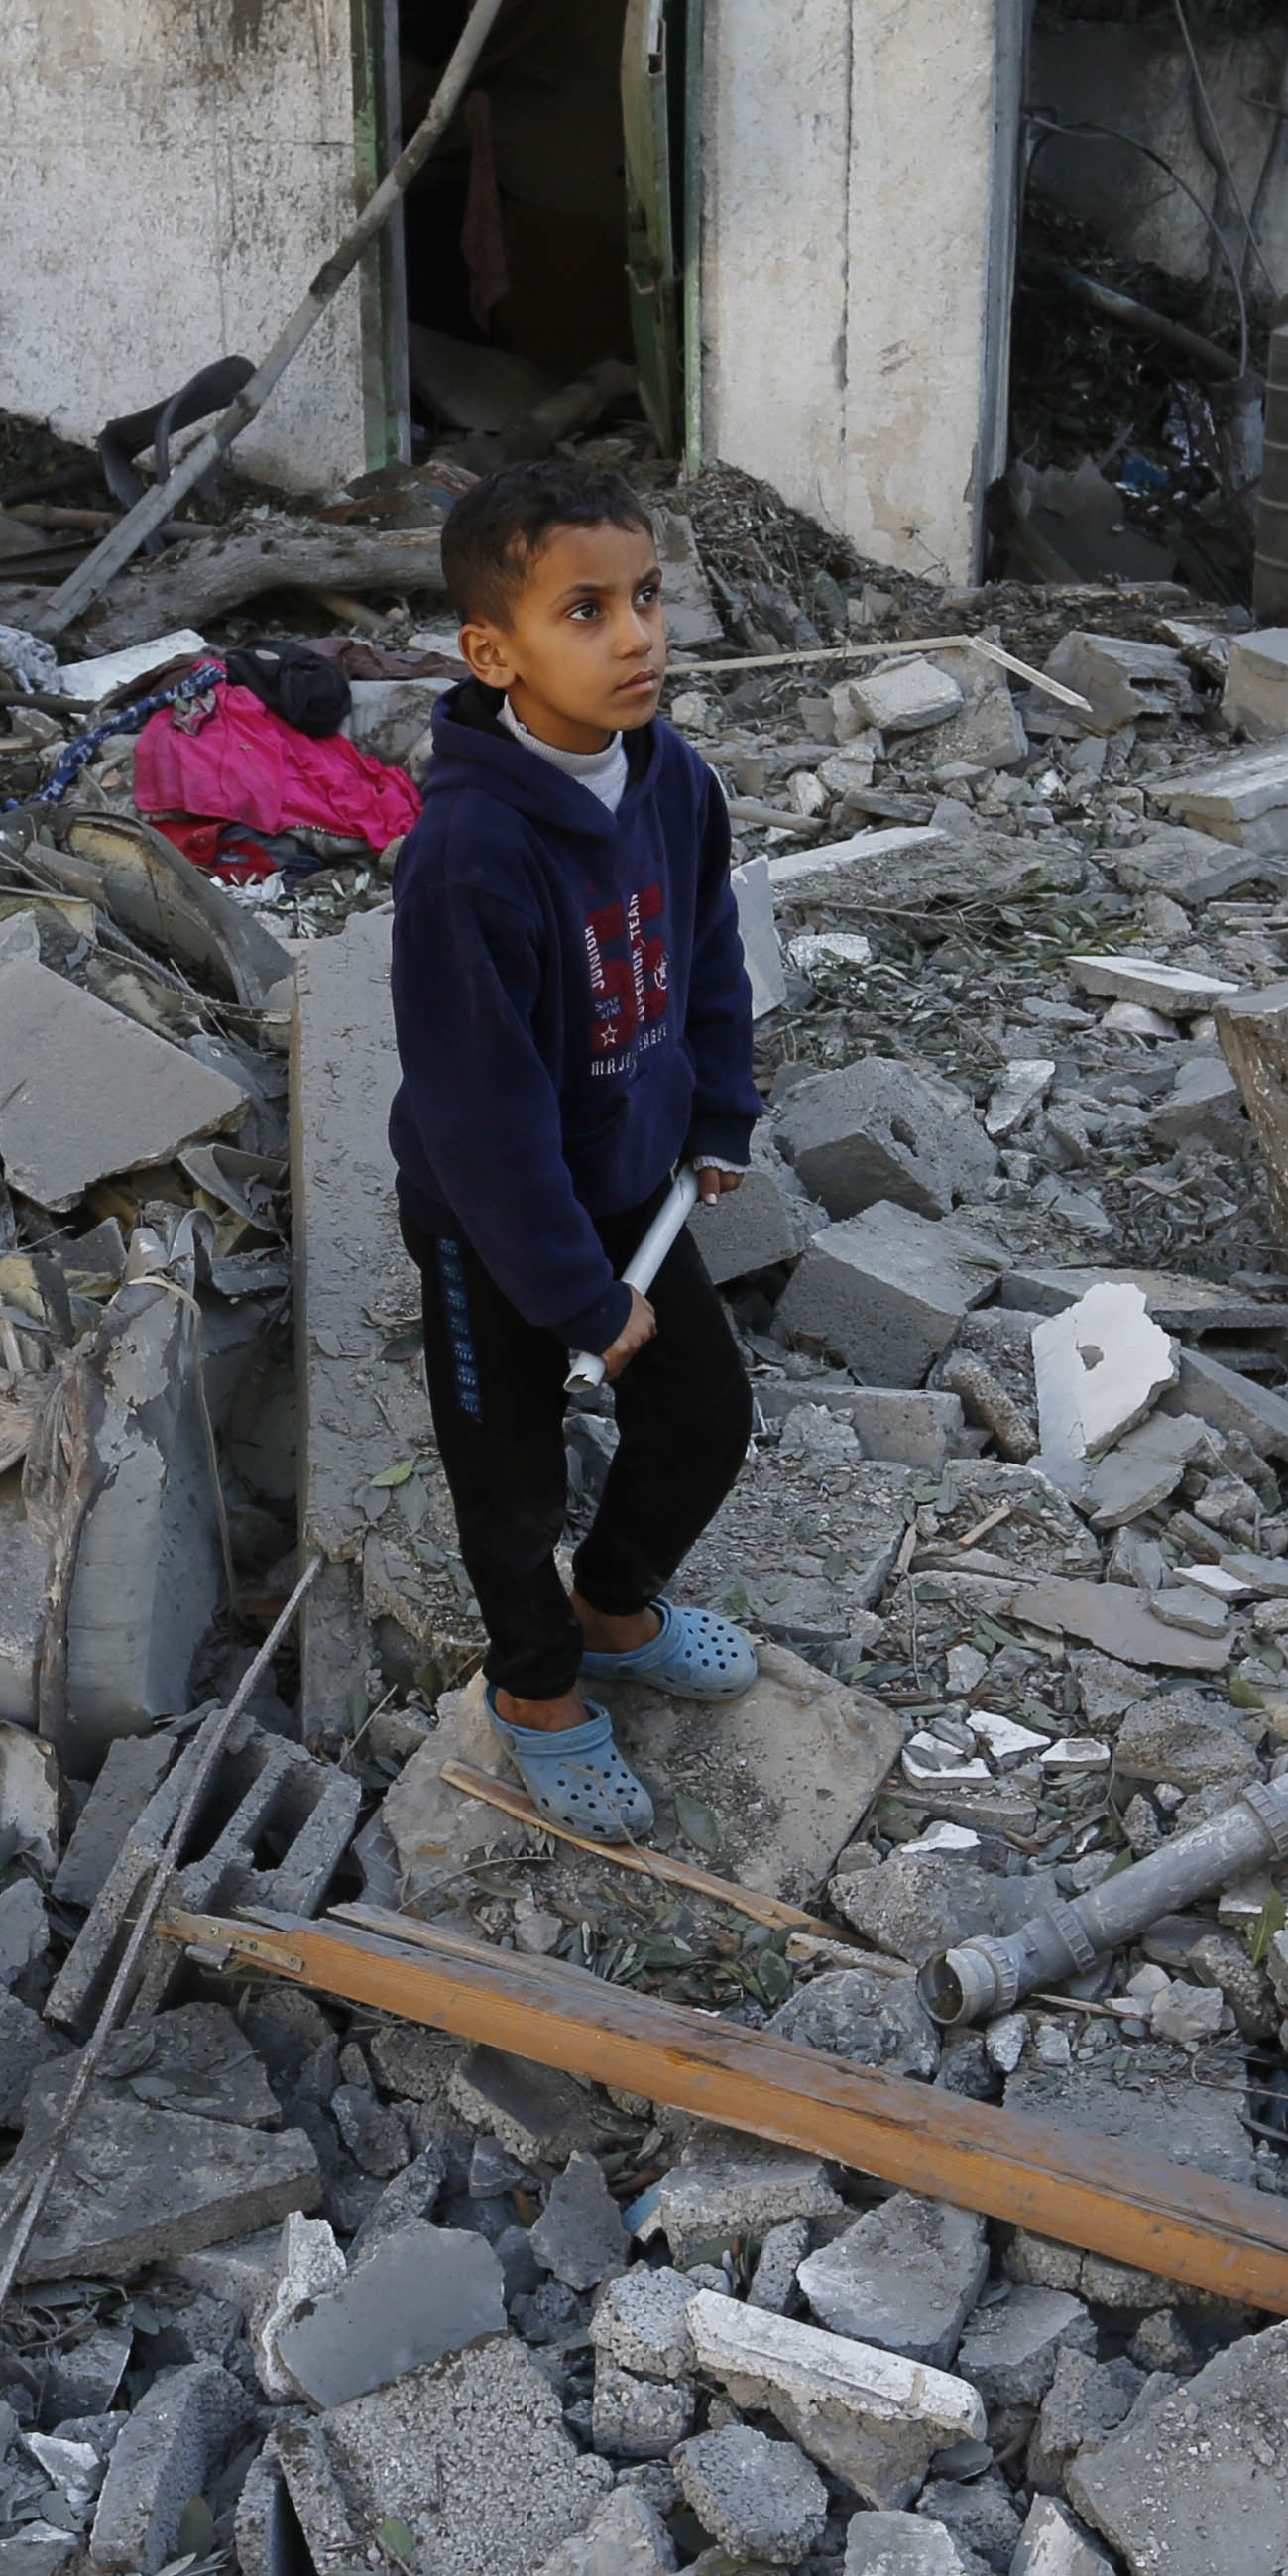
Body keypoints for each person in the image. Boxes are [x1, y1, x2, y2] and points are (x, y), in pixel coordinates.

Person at [382, 460, 769, 1843]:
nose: (637, 637)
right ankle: (537, 1690)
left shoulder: (673, 782)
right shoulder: (467, 858)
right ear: (493, 653)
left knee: (706, 1412)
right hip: (495, 1229)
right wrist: (575, 1298)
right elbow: (481, 1117)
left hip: (628, 1189)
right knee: (511, 1481)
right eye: (586, 611)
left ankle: (611, 1611)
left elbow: (708, 952)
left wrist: (716, 1110)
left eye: (647, 598)